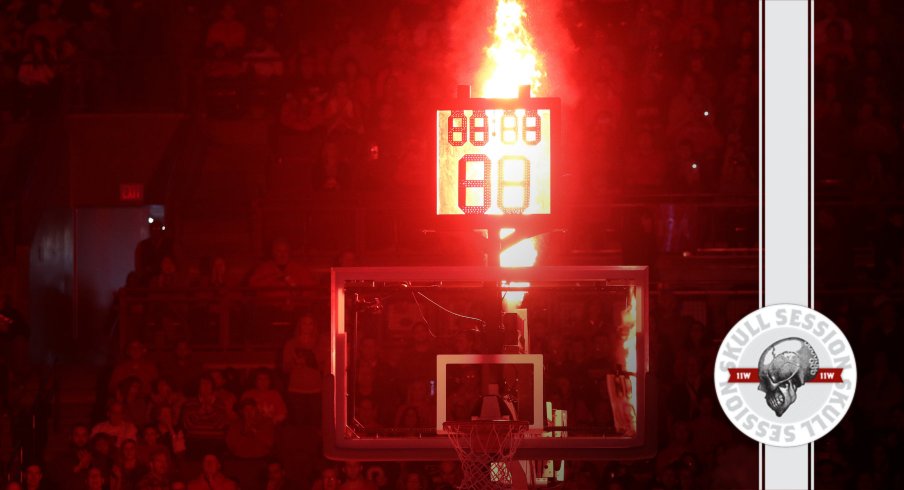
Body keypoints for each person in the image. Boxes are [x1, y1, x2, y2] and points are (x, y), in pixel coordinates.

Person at [282, 314, 325, 425]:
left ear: (314, 326)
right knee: (298, 424)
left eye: (310, 323)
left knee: (314, 424)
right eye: (304, 323)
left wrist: (309, 362)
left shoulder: (320, 343)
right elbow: (285, 368)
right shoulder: (291, 344)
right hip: (296, 389)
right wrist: (295, 363)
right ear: (299, 325)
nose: (307, 326)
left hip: (315, 389)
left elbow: (324, 366)